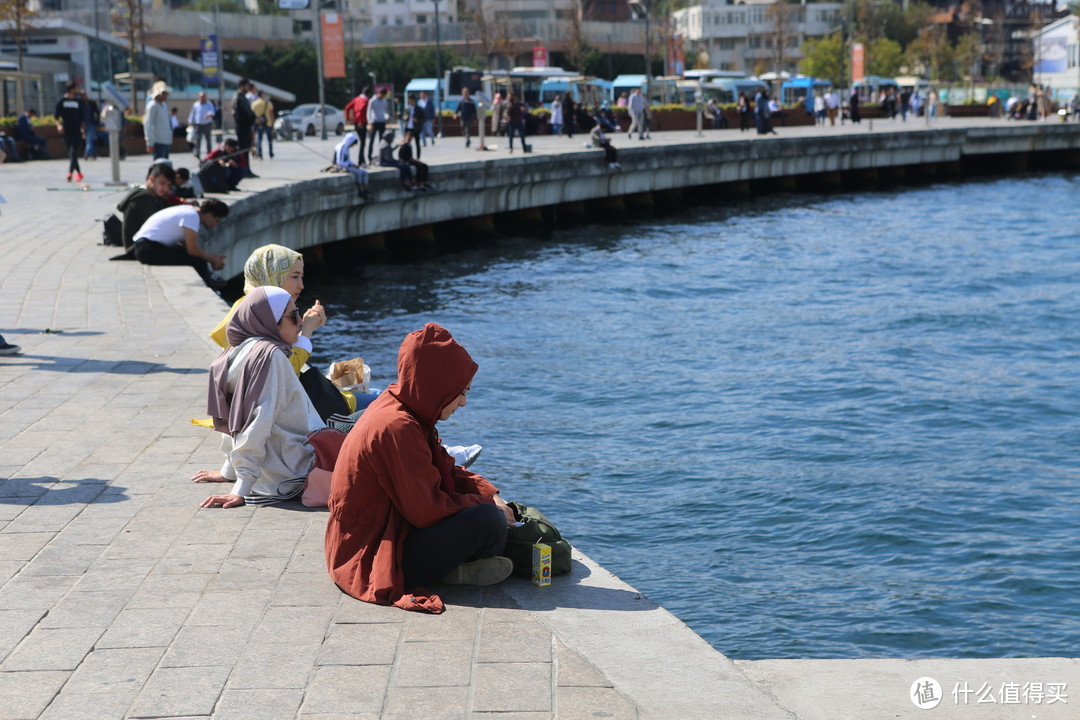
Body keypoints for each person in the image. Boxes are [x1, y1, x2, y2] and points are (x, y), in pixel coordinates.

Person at [325, 323, 515, 613]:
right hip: (371, 553)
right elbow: (426, 510)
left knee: (494, 511)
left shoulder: (404, 405)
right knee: (488, 521)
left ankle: (464, 563)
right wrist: (487, 506)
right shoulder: (397, 426)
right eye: (460, 392)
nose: (463, 402)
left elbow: (447, 468)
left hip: (380, 535)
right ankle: (453, 571)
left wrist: (490, 493)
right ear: (437, 386)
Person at [195, 287, 326, 508]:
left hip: (276, 470)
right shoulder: (271, 357)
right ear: (269, 321)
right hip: (293, 472)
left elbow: (233, 420)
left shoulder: (236, 351)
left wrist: (231, 470)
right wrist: (241, 487)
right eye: (293, 316)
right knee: (367, 416)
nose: (300, 322)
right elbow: (258, 421)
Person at [132, 199, 229, 290]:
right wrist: (213, 259)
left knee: (192, 256)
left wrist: (212, 258)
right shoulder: (192, 216)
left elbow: (187, 247)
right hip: (147, 249)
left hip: (145, 247)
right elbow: (193, 250)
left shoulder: (189, 211)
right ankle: (212, 286)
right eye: (217, 221)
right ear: (209, 216)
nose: (216, 225)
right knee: (197, 260)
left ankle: (211, 282)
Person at [116, 163, 178, 255]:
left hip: (143, 245)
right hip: (138, 248)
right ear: (152, 178)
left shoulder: (149, 194)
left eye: (168, 185)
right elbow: (157, 227)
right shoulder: (144, 198)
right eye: (162, 183)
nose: (165, 188)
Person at [55, 82, 86, 182]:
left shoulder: (78, 102)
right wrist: (59, 125)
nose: (77, 90)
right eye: (76, 88)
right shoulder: (62, 101)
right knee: (71, 153)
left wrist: (82, 129)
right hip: (66, 131)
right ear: (72, 89)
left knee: (73, 152)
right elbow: (56, 116)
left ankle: (70, 173)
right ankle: (79, 173)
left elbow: (82, 118)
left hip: (77, 131)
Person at [333, 130, 370, 198]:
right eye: (352, 144)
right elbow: (339, 162)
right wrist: (350, 165)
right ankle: (361, 191)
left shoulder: (346, 148)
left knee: (364, 172)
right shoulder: (342, 147)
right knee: (359, 173)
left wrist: (354, 165)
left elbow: (348, 160)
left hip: (346, 165)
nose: (352, 146)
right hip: (341, 166)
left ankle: (366, 190)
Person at [143, 81, 173, 160]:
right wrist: (150, 142)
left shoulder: (164, 105)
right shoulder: (152, 106)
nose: (166, 96)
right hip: (157, 142)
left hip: (166, 141)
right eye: (164, 93)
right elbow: (148, 124)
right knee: (159, 167)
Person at [232, 78, 257, 171]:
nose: (248, 87)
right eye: (246, 86)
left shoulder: (243, 96)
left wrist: (253, 118)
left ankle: (247, 169)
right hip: (242, 127)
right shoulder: (238, 97)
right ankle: (244, 170)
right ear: (242, 86)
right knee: (243, 150)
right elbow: (240, 114)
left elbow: (248, 111)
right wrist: (251, 119)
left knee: (246, 149)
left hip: (246, 126)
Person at [187, 91, 216, 159]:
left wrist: (209, 115)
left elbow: (212, 111)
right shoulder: (196, 104)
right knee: (198, 140)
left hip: (207, 124)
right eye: (201, 97)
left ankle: (209, 153)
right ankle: (198, 153)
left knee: (208, 140)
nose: (203, 98)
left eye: (204, 96)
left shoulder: (209, 104)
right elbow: (193, 113)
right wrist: (190, 121)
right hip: (198, 125)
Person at [366, 88, 390, 164]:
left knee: (382, 140)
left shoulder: (384, 101)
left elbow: (385, 111)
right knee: (371, 140)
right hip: (374, 122)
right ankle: (369, 157)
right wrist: (369, 123)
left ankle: (381, 156)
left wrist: (387, 117)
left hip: (382, 122)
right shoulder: (372, 100)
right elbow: (368, 113)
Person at [344, 87, 369, 157]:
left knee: (362, 142)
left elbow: (347, 108)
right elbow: (361, 110)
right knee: (363, 142)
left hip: (356, 121)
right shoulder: (365, 100)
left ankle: (361, 159)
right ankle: (361, 160)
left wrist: (348, 119)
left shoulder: (356, 99)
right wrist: (360, 121)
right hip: (362, 122)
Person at [251, 90, 275, 159]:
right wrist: (273, 124)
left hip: (259, 123)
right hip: (268, 123)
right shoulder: (268, 103)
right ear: (262, 95)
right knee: (269, 139)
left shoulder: (254, 103)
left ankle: (260, 154)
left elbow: (252, 114)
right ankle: (270, 153)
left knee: (259, 139)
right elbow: (271, 114)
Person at [402, 94, 424, 159]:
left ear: (414, 101)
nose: (410, 102)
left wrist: (418, 120)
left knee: (417, 143)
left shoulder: (419, 109)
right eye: (409, 101)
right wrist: (405, 117)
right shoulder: (407, 108)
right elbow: (403, 116)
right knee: (407, 143)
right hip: (408, 128)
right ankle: (407, 157)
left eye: (411, 100)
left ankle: (418, 158)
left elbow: (423, 118)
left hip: (416, 128)